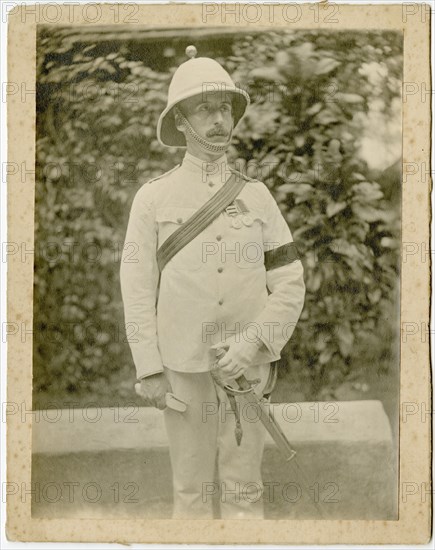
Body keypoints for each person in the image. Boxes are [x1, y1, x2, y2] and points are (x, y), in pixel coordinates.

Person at [120, 46, 305, 519]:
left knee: (245, 490)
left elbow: (289, 281)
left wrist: (254, 343)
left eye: (225, 107)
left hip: (248, 367)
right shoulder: (153, 198)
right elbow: (137, 287)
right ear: (179, 121)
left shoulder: (257, 197)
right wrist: (148, 369)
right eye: (204, 109)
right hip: (182, 368)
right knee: (191, 491)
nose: (219, 119)